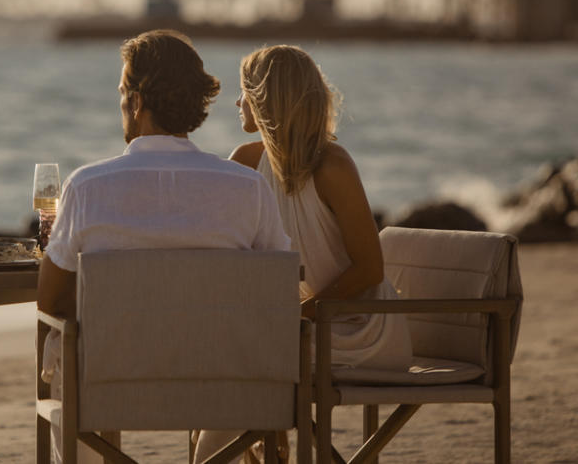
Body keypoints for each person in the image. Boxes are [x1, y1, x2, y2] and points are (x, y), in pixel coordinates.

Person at [37, 30, 291, 464]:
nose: (120, 104)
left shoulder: (87, 186)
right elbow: (279, 291)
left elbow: (51, 298)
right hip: (224, 389)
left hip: (110, 385)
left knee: (58, 341)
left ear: (136, 102)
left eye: (121, 93)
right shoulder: (247, 187)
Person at [193, 45, 413, 463]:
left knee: (238, 360)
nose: (237, 102)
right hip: (293, 328)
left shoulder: (332, 166)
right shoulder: (244, 161)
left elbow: (370, 269)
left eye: (244, 91)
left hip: (357, 326)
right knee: (219, 349)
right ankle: (267, 430)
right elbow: (232, 257)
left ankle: (261, 433)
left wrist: (302, 315)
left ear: (266, 100)